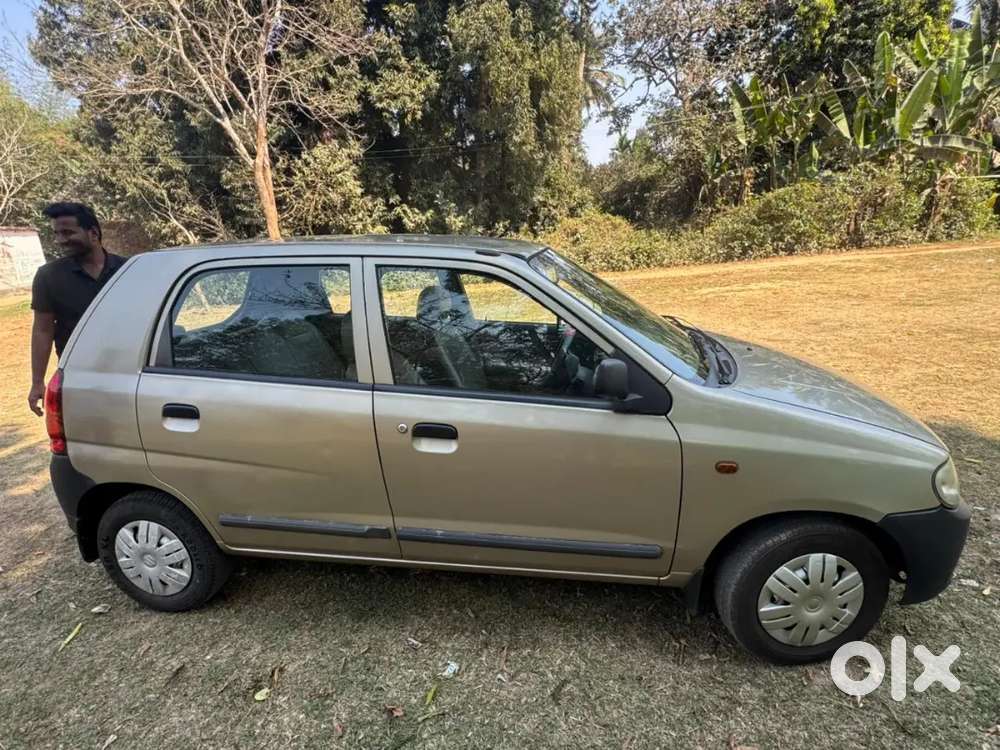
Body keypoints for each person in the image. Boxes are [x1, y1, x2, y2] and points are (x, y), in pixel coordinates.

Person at [27, 203, 126, 415]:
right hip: (79, 375)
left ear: (93, 233)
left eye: (68, 232)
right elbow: (42, 330)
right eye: (57, 234)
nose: (61, 240)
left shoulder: (127, 269)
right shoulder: (48, 277)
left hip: (129, 369)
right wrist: (37, 382)